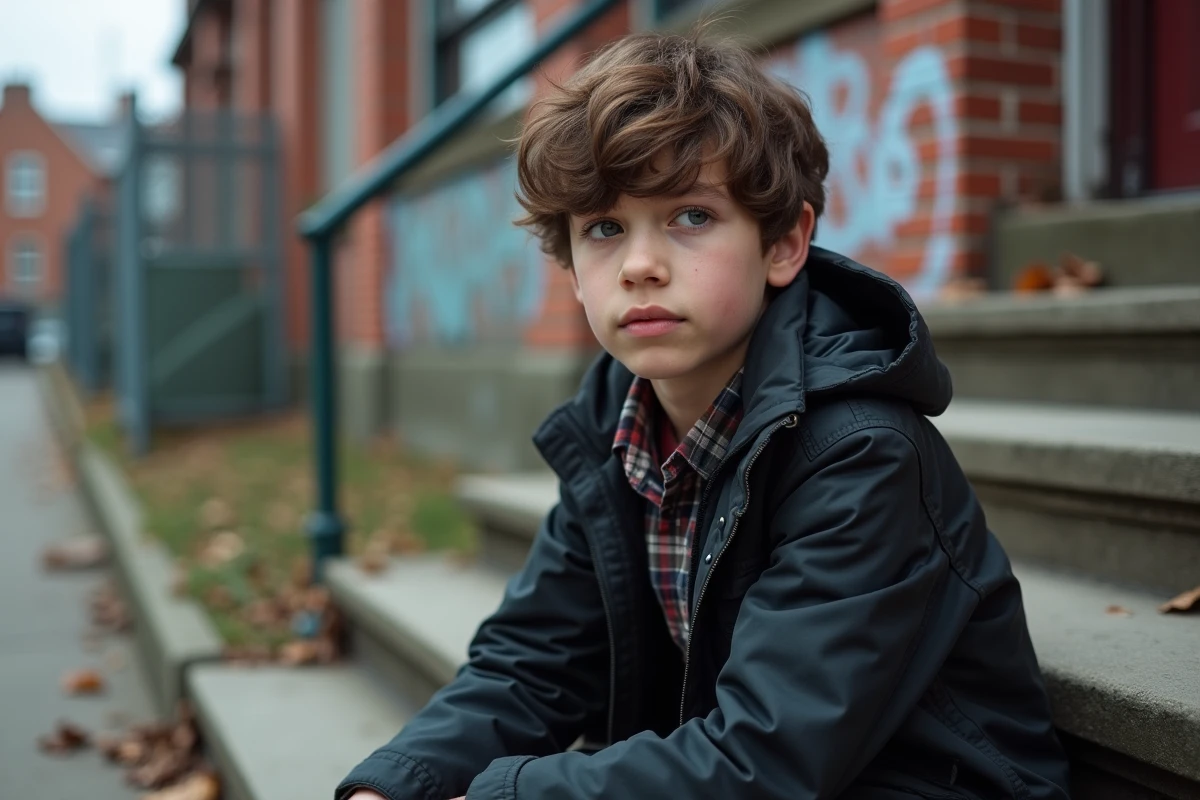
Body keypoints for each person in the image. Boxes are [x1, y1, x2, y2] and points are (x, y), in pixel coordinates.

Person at [337, 29, 1071, 800]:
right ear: (574, 275)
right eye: (604, 228)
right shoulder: (614, 433)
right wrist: (395, 783)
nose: (640, 264)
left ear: (784, 244)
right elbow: (532, 663)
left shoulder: (861, 455)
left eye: (690, 216)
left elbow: (768, 756)